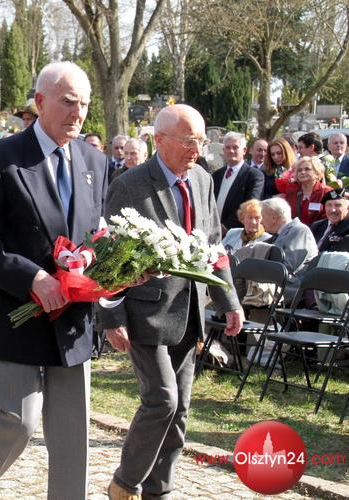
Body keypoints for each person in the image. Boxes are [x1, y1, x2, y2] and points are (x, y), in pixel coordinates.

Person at [0, 61, 108, 500]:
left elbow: (98, 234)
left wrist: (107, 266)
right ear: (39, 102)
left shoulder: (95, 161)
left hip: (73, 319)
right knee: (19, 421)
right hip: (17, 314)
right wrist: (32, 277)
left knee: (73, 432)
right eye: (68, 102)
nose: (78, 113)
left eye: (84, 104)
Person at [100, 104, 242, 500]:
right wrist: (111, 317)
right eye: (189, 141)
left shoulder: (202, 179)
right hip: (145, 312)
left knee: (179, 411)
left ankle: (159, 491)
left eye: (202, 140)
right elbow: (108, 257)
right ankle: (124, 484)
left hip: (189, 310)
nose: (197, 149)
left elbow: (214, 246)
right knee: (162, 399)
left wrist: (228, 300)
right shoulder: (130, 185)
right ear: (159, 140)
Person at [213, 132, 264, 233]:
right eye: (228, 147)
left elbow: (250, 205)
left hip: (236, 232)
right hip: (213, 229)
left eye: (235, 147)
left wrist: (225, 227)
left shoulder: (254, 176)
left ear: (244, 150)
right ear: (223, 150)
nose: (231, 151)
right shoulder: (217, 175)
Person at [261, 197, 318, 277]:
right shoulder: (277, 234)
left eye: (262, 217)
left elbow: (287, 267)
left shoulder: (299, 230)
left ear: (274, 218)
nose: (261, 221)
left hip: (293, 283)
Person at [280, 156, 333, 226]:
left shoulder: (326, 192)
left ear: (317, 173)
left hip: (318, 231)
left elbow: (329, 217)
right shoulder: (292, 191)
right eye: (299, 170)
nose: (302, 172)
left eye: (307, 169)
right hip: (295, 230)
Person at [310, 188, 349, 252]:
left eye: (338, 205)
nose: (333, 210)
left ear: (348, 208)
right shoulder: (316, 226)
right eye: (329, 205)